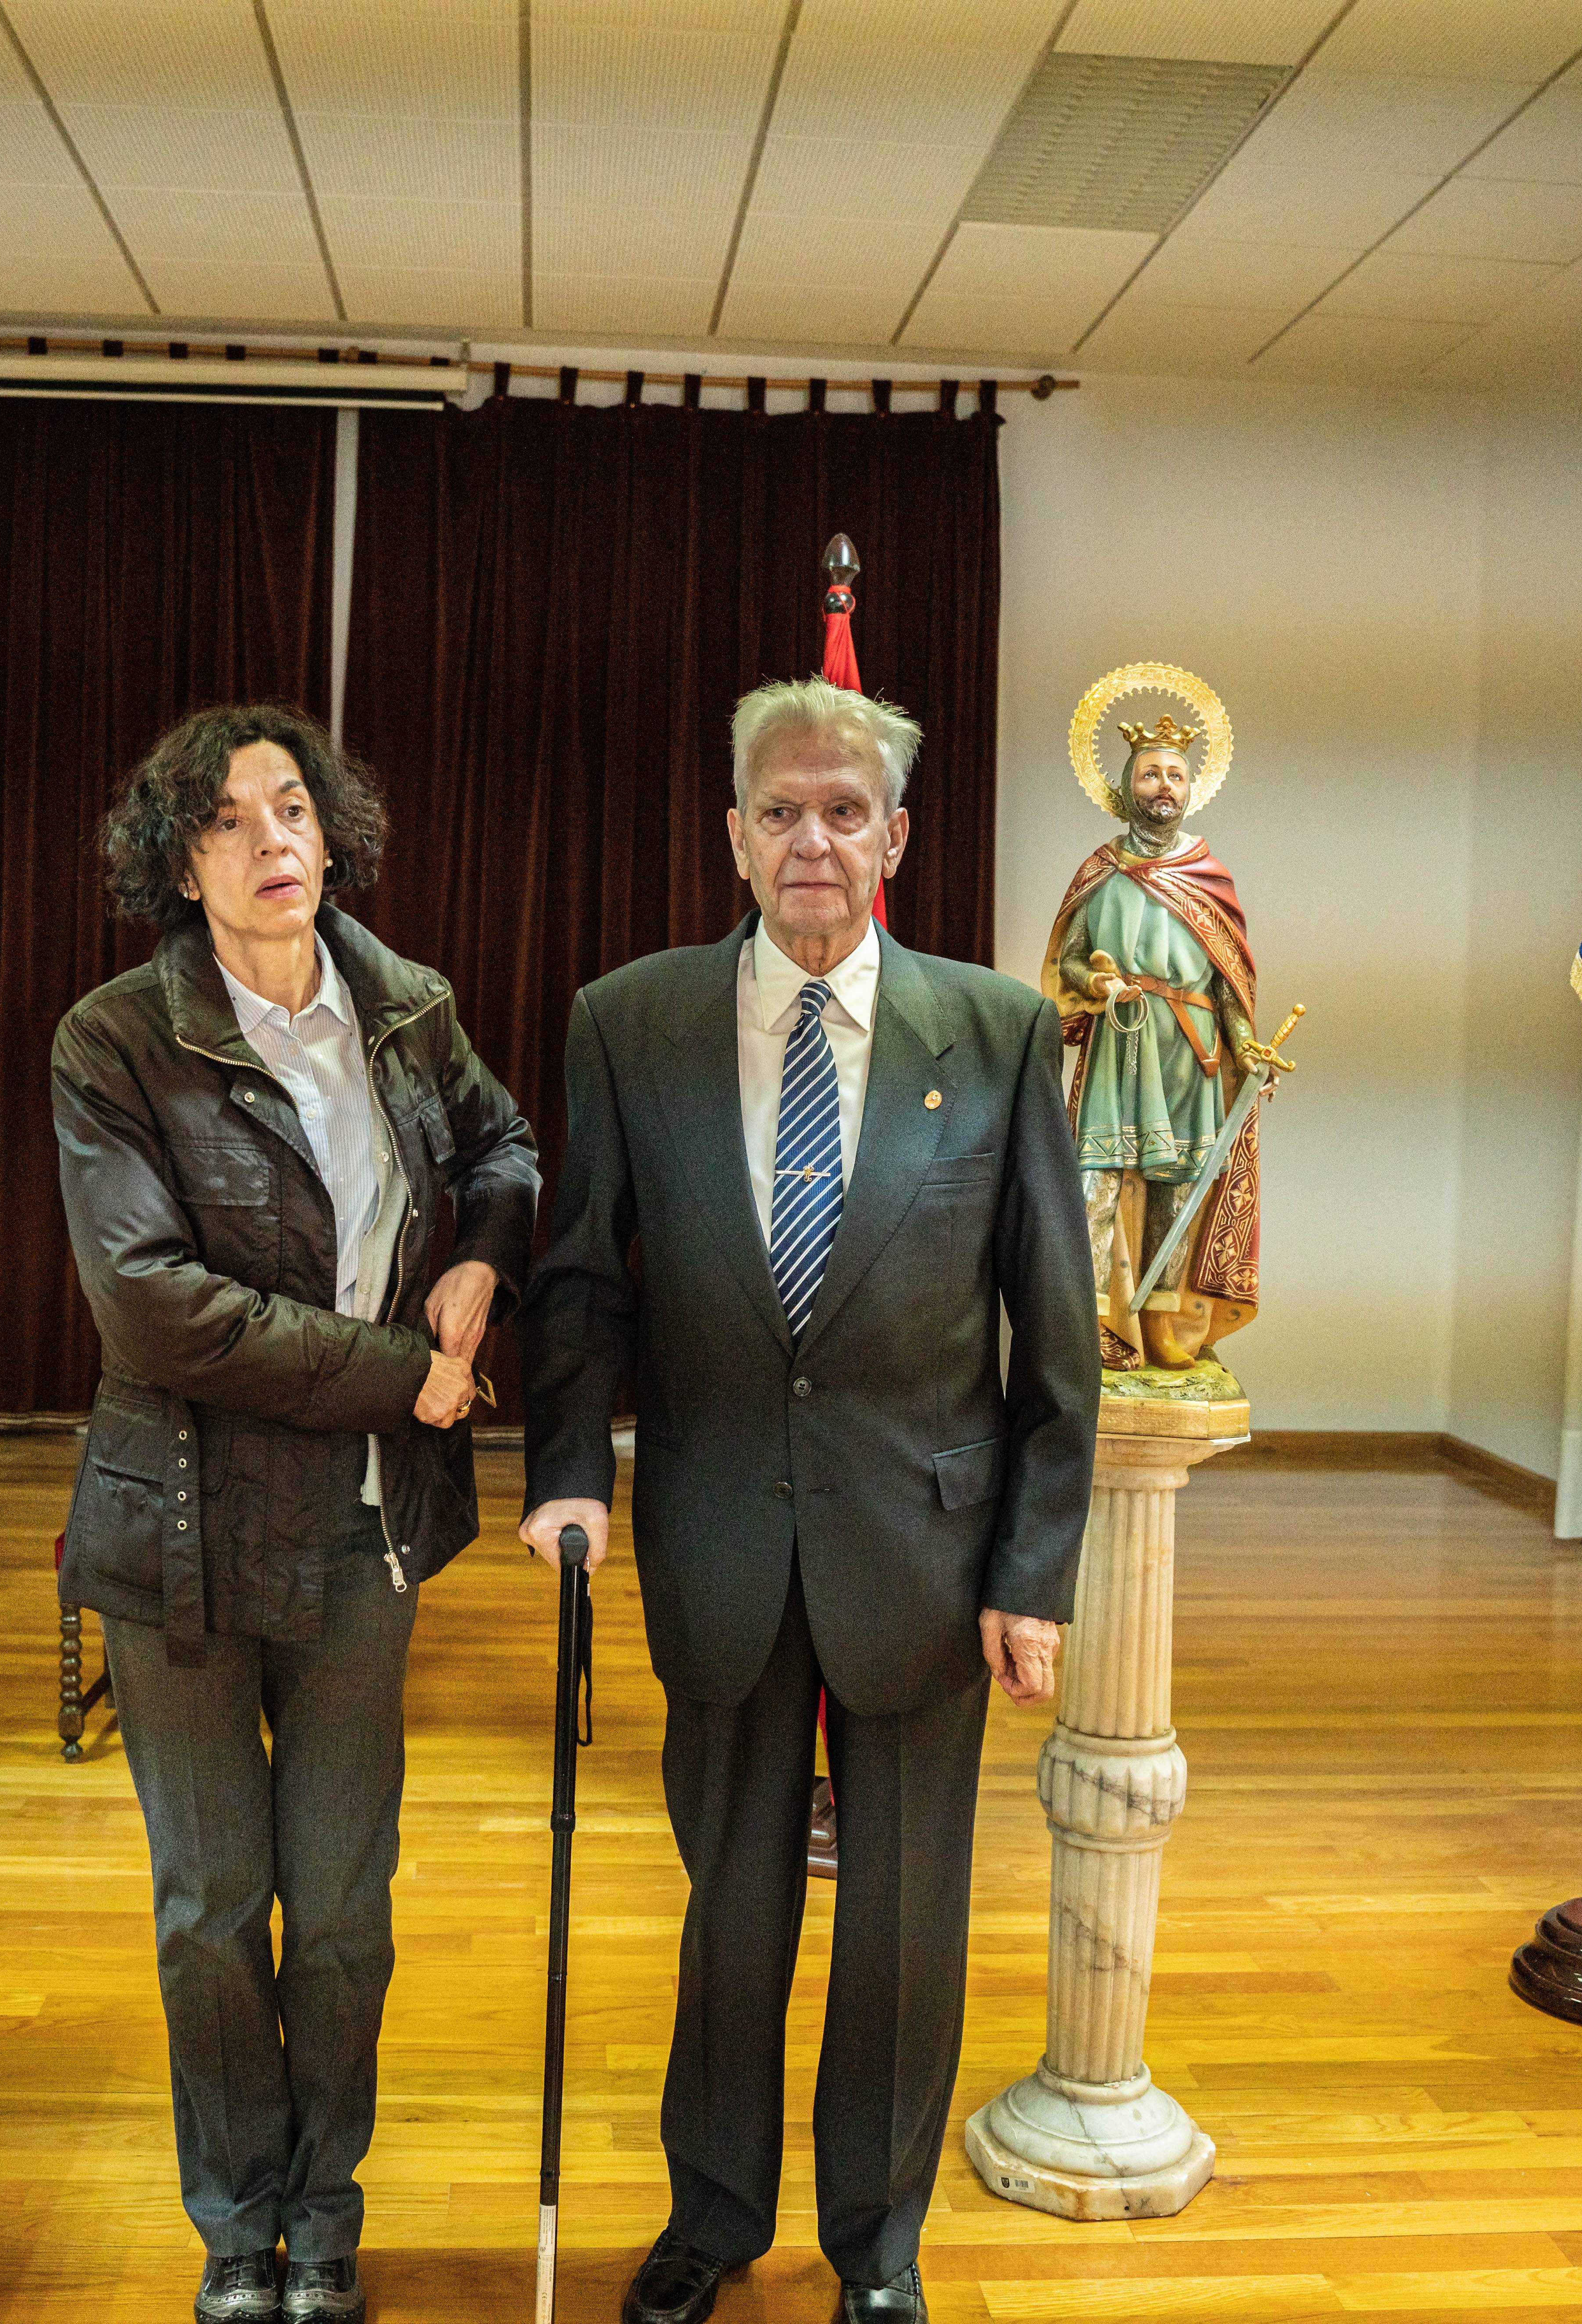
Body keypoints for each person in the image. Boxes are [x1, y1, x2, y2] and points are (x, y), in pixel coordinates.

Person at [519, 677, 1100, 2324]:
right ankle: (712, 2215)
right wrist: (570, 1477)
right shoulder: (628, 1019)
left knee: (904, 1931)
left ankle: (880, 2247)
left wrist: (1034, 1570)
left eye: (846, 810)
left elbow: (1054, 1328)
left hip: (926, 1549)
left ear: (897, 835)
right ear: (733, 834)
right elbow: (578, 1287)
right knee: (734, 1911)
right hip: (717, 1539)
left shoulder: (994, 1031)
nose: (813, 840)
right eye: (781, 810)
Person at [53, 702, 539, 2324]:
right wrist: (403, 1371)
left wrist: (477, 1249)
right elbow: (151, 1309)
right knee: (210, 1913)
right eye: (228, 821)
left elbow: (507, 1145)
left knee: (336, 1913)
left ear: (332, 835)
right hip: (176, 1534)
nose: (272, 842)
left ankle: (323, 2220)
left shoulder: (406, 1010)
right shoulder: (115, 1041)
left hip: (358, 1536)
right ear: (176, 865)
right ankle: (232, 2229)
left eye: (293, 810)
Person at [1041, 710, 1277, 1371]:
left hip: (1192, 1053)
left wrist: (1246, 1046)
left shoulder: (1210, 875)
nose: (1163, 786)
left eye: (1175, 774)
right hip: (1124, 1043)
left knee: (1179, 1186)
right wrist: (1101, 981)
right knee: (1099, 1179)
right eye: (1150, 774)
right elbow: (1070, 961)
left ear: (1191, 788)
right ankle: (1094, 1328)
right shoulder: (1102, 872)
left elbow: (1231, 982)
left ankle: (1165, 1327)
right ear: (1125, 787)